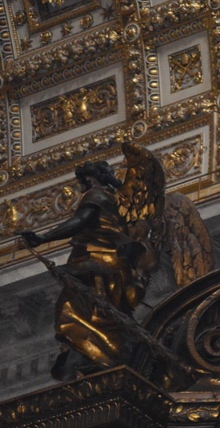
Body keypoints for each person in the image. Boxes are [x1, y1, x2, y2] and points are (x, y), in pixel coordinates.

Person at [18, 161, 147, 379]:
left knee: (71, 312)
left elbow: (80, 221)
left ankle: (102, 354)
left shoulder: (96, 195)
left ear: (88, 179)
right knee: (103, 313)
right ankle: (103, 353)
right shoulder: (114, 198)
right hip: (109, 265)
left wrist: (43, 238)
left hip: (98, 264)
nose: (80, 186)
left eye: (81, 181)